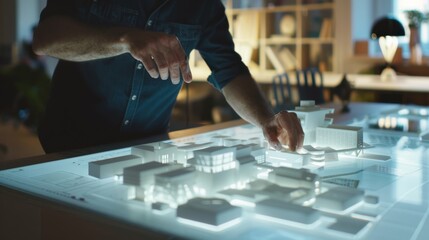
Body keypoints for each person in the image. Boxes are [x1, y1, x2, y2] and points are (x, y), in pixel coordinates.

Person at [33, 0, 304, 153]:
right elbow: (46, 39)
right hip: (69, 145)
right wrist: (125, 39)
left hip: (148, 149)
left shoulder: (204, 7)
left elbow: (230, 71)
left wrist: (266, 119)